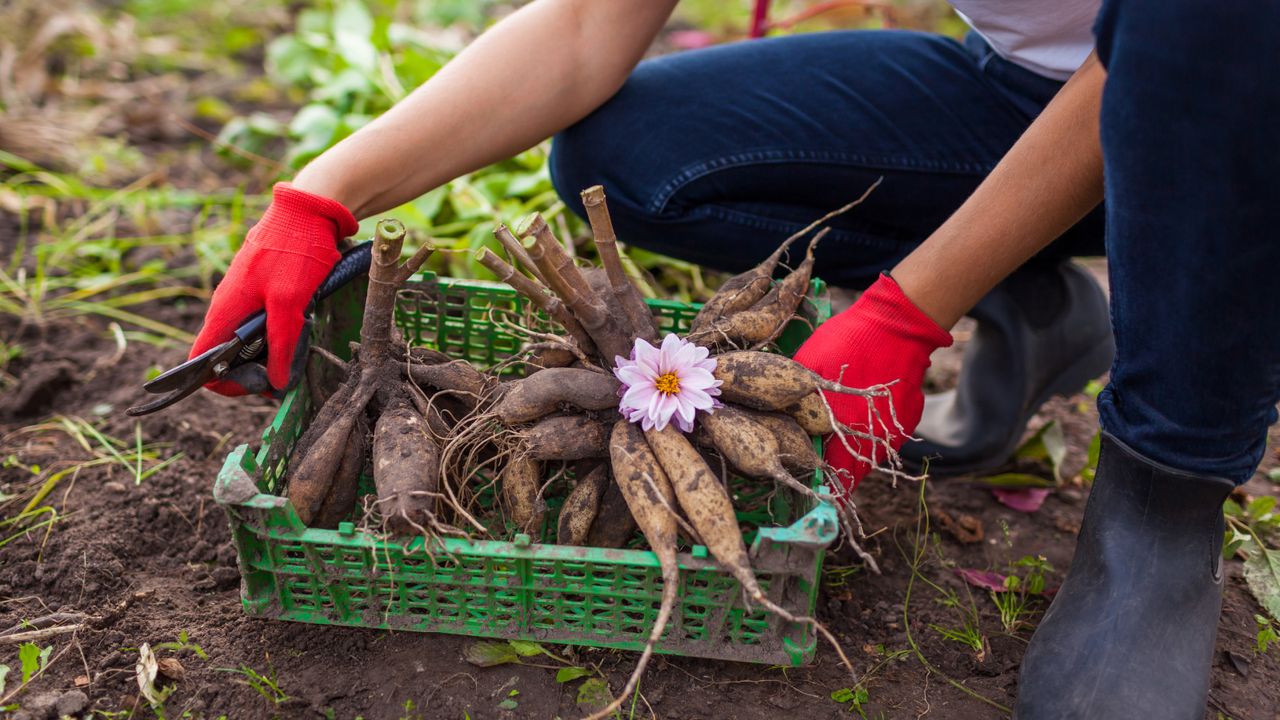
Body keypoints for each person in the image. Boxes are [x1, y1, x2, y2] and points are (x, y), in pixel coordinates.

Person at [188, 1, 1280, 716]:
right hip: (1014, 96)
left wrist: (908, 309)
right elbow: (580, 30)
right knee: (637, 158)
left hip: (1233, 79)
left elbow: (1179, 64)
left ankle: (1162, 494)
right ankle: (1033, 301)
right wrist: (322, 193)